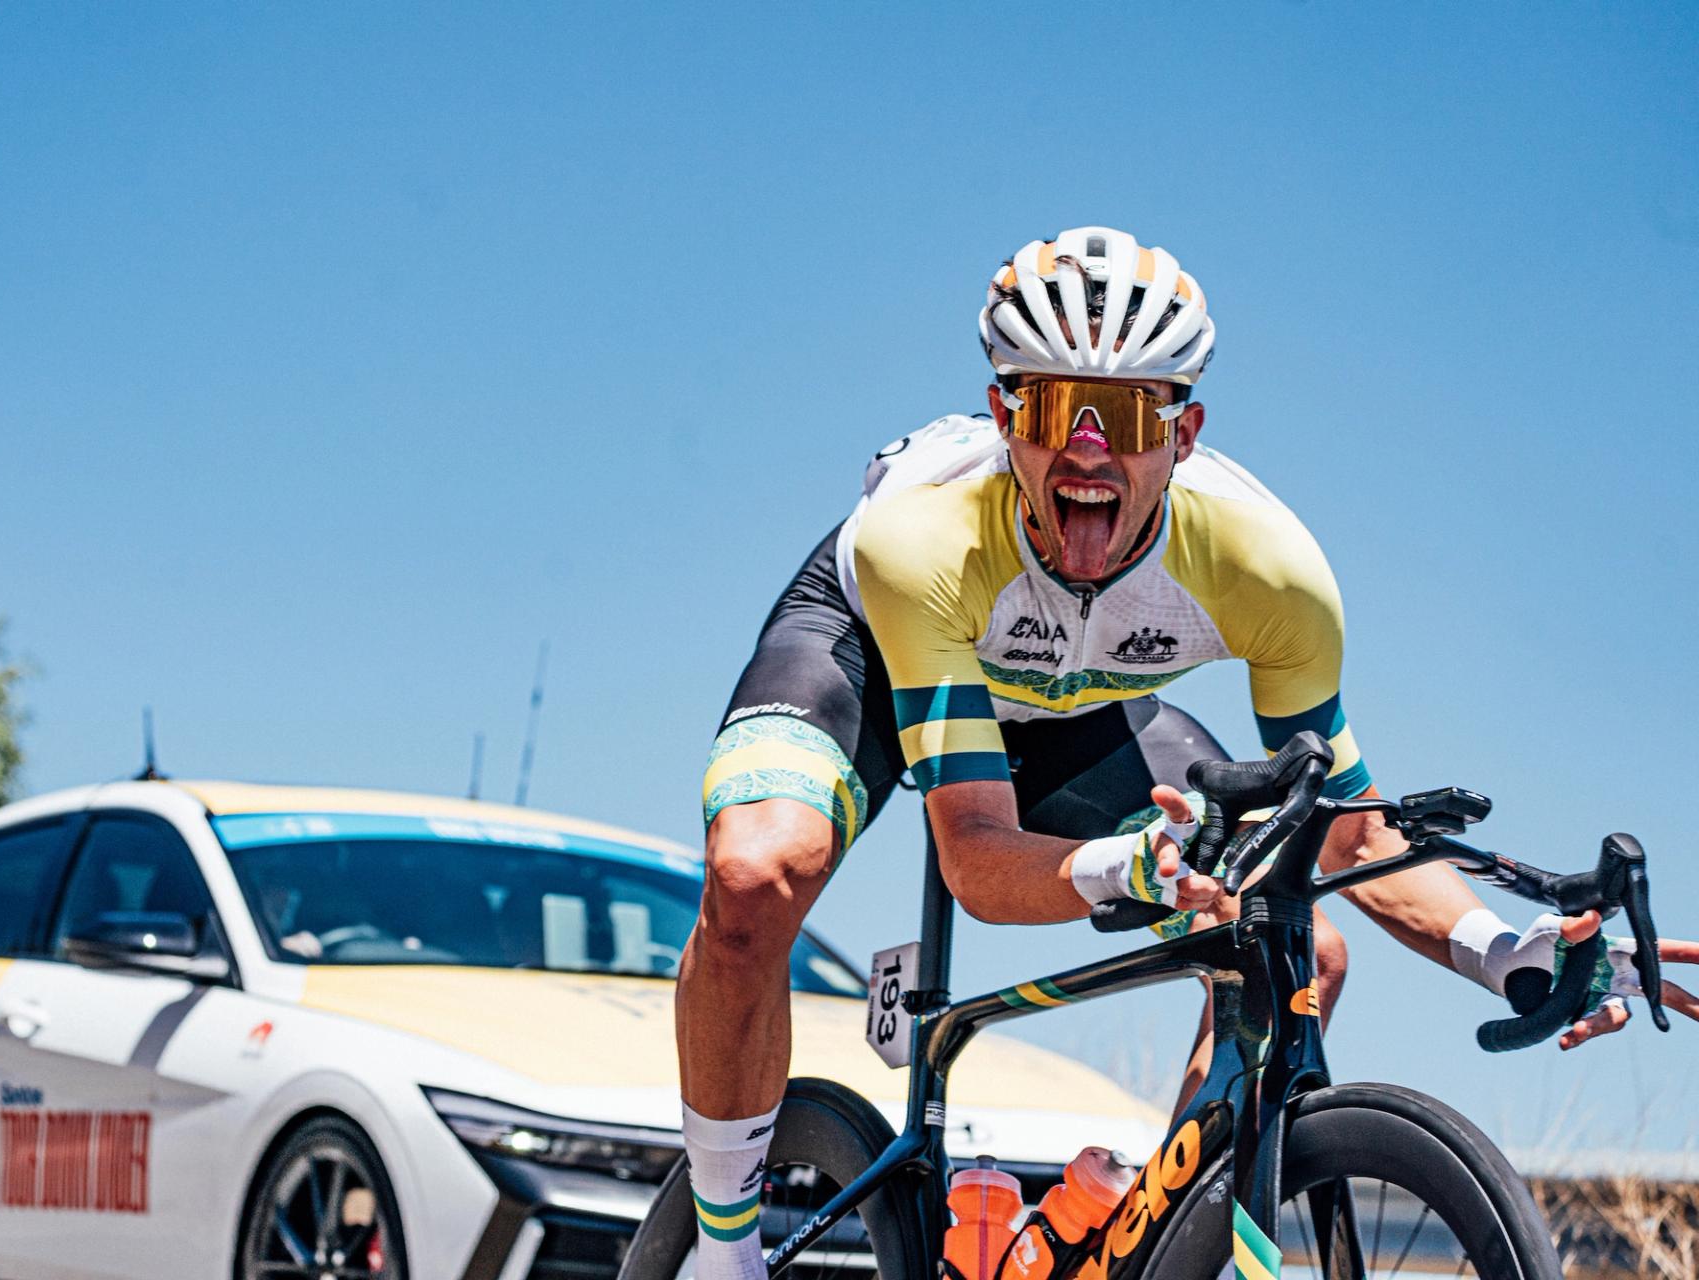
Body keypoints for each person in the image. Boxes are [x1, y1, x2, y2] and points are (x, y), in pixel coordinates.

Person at [675, 226, 1697, 1280]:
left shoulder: (1268, 567)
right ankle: (721, 1250)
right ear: (1000, 419)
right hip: (867, 658)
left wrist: (1506, 949)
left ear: (1185, 431)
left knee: (1298, 945)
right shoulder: (924, 530)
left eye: (1121, 416)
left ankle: (1138, 1247)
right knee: (756, 876)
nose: (1083, 448)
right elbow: (977, 854)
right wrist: (1131, 865)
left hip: (1075, 707)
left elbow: (1346, 828)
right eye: (1045, 407)